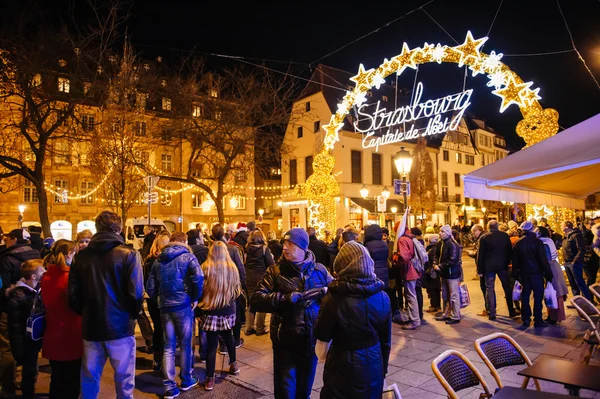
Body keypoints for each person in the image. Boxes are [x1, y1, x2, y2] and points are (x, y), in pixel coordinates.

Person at [68, 211, 144, 399]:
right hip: (120, 326)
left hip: (92, 326)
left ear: (97, 228)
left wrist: (86, 312)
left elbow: (73, 295)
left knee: (89, 377)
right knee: (124, 379)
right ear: (118, 228)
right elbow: (136, 294)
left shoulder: (81, 257)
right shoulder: (129, 254)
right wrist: (131, 315)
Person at [251, 228, 332, 399]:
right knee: (285, 392)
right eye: (284, 244)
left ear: (302, 247)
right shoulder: (275, 272)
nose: (285, 248)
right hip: (285, 342)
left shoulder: (320, 271)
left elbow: (334, 294)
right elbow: (256, 299)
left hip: (311, 341)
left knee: (305, 391)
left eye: (290, 244)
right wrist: (283, 299)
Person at [314, 241, 392, 399]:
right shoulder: (383, 296)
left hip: (342, 366)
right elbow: (386, 341)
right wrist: (382, 369)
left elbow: (322, 335)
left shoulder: (334, 298)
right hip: (373, 363)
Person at [146, 232, 203, 398]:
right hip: (183, 304)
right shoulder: (188, 257)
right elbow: (198, 277)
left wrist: (159, 297)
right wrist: (194, 297)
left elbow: (150, 287)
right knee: (185, 343)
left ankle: (170, 386)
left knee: (168, 346)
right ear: (184, 242)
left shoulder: (158, 260)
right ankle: (186, 379)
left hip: (165, 306)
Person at [0, 228, 40, 395]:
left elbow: (3, 286)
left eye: (8, 238)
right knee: (32, 344)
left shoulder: (6, 259)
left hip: (10, 309)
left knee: (7, 346)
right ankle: (29, 382)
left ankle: (8, 387)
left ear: (14, 239)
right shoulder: (36, 255)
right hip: (33, 306)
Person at [41, 239, 82, 399]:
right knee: (72, 382)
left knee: (56, 380)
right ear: (70, 254)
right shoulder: (70, 279)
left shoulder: (46, 276)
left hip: (53, 334)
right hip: (72, 334)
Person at [198, 241, 242, 391]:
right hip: (228, 309)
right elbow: (237, 290)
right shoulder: (232, 268)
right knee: (229, 338)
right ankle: (234, 365)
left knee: (211, 344)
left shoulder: (205, 268)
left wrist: (199, 309)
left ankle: (210, 379)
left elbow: (200, 291)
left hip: (211, 309)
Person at [6, 259, 45, 399]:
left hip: (36, 336)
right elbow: (14, 326)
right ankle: (28, 393)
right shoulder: (19, 295)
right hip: (26, 339)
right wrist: (18, 348)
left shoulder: (37, 289)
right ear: (33, 276)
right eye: (42, 270)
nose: (45, 272)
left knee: (32, 366)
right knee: (28, 369)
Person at [211, 224, 246, 351]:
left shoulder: (210, 248)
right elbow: (240, 268)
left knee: (219, 315)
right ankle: (235, 339)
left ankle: (223, 343)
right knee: (234, 313)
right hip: (232, 286)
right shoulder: (232, 249)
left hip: (216, 286)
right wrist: (242, 285)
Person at [512, 221, 553, 328]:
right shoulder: (537, 242)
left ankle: (526, 318)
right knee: (538, 297)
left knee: (525, 296)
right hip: (536, 273)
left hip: (524, 274)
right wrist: (548, 273)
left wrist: (515, 273)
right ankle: (538, 319)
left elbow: (515, 261)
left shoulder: (518, 243)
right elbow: (543, 260)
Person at [477, 220, 516, 320]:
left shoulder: (484, 237)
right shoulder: (504, 236)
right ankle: (511, 310)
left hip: (489, 266)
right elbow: (509, 250)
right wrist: (508, 262)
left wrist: (480, 269)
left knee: (490, 288)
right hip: (502, 265)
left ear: (488, 226)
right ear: (497, 226)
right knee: (507, 288)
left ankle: (492, 312)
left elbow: (480, 255)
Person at [143, 233, 170, 371]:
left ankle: (157, 358)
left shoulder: (148, 261)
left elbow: (146, 281)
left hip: (152, 299)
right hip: (163, 298)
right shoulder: (165, 261)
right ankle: (164, 357)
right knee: (166, 328)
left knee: (158, 328)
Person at [244, 230, 274, 336]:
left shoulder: (247, 249)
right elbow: (271, 265)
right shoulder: (264, 249)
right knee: (262, 302)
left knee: (251, 302)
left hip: (249, 278)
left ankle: (249, 327)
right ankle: (260, 327)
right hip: (261, 278)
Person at [538, 227, 568, 323]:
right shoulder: (549, 240)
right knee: (554, 292)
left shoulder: (544, 243)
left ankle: (555, 316)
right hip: (554, 267)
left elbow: (547, 259)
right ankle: (553, 315)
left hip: (551, 269)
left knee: (554, 292)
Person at [394, 225, 421, 330]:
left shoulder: (402, 240)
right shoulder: (411, 237)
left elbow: (405, 257)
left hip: (408, 271)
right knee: (412, 295)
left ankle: (414, 320)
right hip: (414, 270)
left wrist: (396, 258)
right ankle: (415, 318)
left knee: (410, 296)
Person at [434, 225, 462, 325]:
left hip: (452, 273)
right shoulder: (441, 243)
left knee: (453, 295)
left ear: (447, 233)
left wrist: (440, 266)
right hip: (445, 272)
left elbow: (453, 260)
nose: (440, 233)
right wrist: (436, 263)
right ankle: (446, 313)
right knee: (445, 295)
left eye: (442, 231)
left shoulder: (453, 244)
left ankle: (455, 315)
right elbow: (436, 255)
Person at [562, 221, 592, 300]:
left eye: (562, 225)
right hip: (567, 263)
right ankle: (577, 301)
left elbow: (581, 249)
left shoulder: (576, 235)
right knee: (573, 283)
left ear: (567, 227)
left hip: (574, 263)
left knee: (579, 282)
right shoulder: (566, 237)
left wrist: (574, 261)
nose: (561, 227)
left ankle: (587, 300)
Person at [363, 224, 390, 304]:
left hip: (373, 273)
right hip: (384, 273)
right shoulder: (385, 244)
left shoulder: (367, 245)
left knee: (373, 298)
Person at [469, 224, 488, 316]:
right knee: (488, 288)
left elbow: (480, 255)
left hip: (484, 267)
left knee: (485, 287)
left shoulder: (482, 238)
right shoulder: (485, 236)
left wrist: (479, 270)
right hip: (489, 266)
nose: (473, 234)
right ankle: (490, 308)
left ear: (478, 230)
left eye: (473, 232)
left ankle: (488, 308)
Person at [424, 234, 442, 313]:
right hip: (435, 272)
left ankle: (434, 305)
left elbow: (431, 261)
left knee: (432, 289)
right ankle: (437, 305)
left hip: (432, 273)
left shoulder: (432, 250)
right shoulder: (436, 248)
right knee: (436, 289)